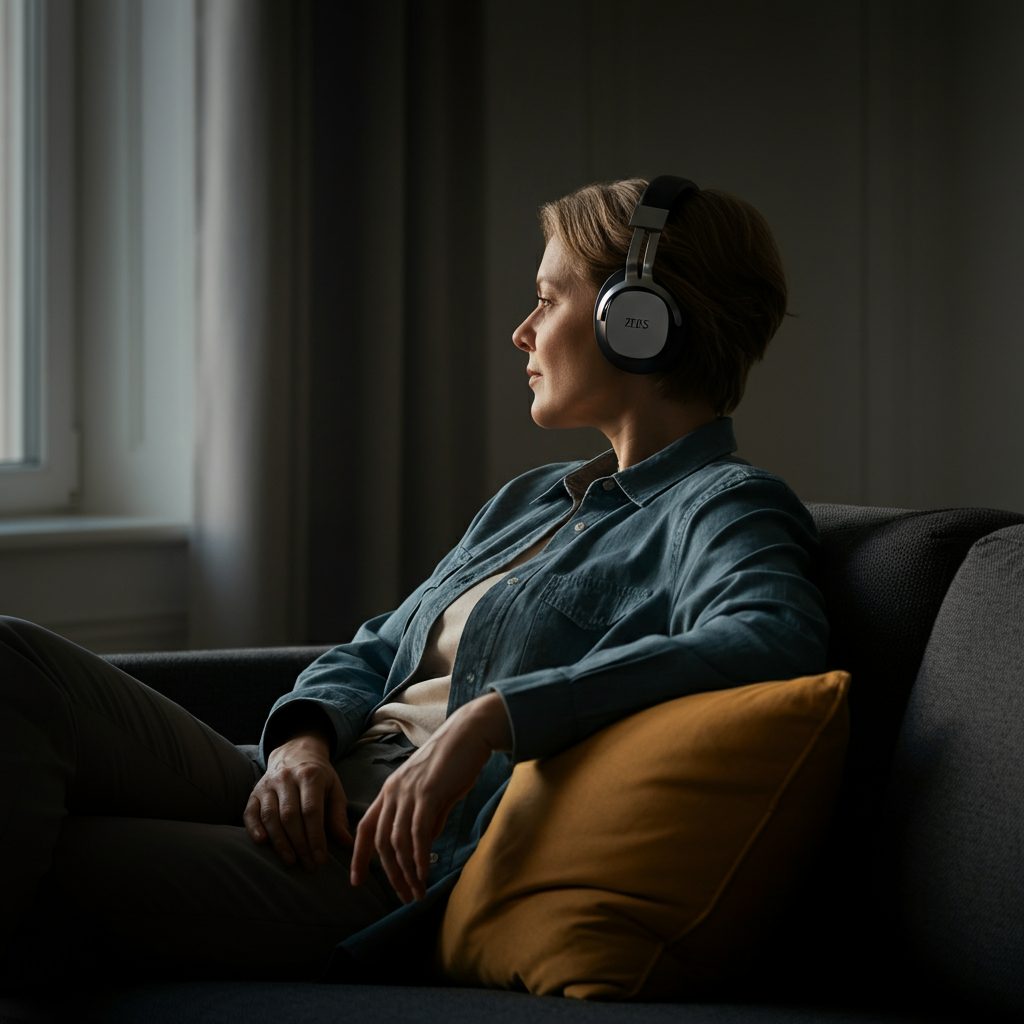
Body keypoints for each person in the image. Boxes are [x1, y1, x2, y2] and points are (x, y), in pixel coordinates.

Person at [0, 177, 828, 986]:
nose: (521, 331)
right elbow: (379, 645)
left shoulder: (724, 506)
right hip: (307, 783)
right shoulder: (532, 498)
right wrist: (301, 742)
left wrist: (497, 718)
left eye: (547, 298)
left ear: (637, 324)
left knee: (61, 858)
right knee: (15, 661)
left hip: (388, 856)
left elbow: (772, 638)